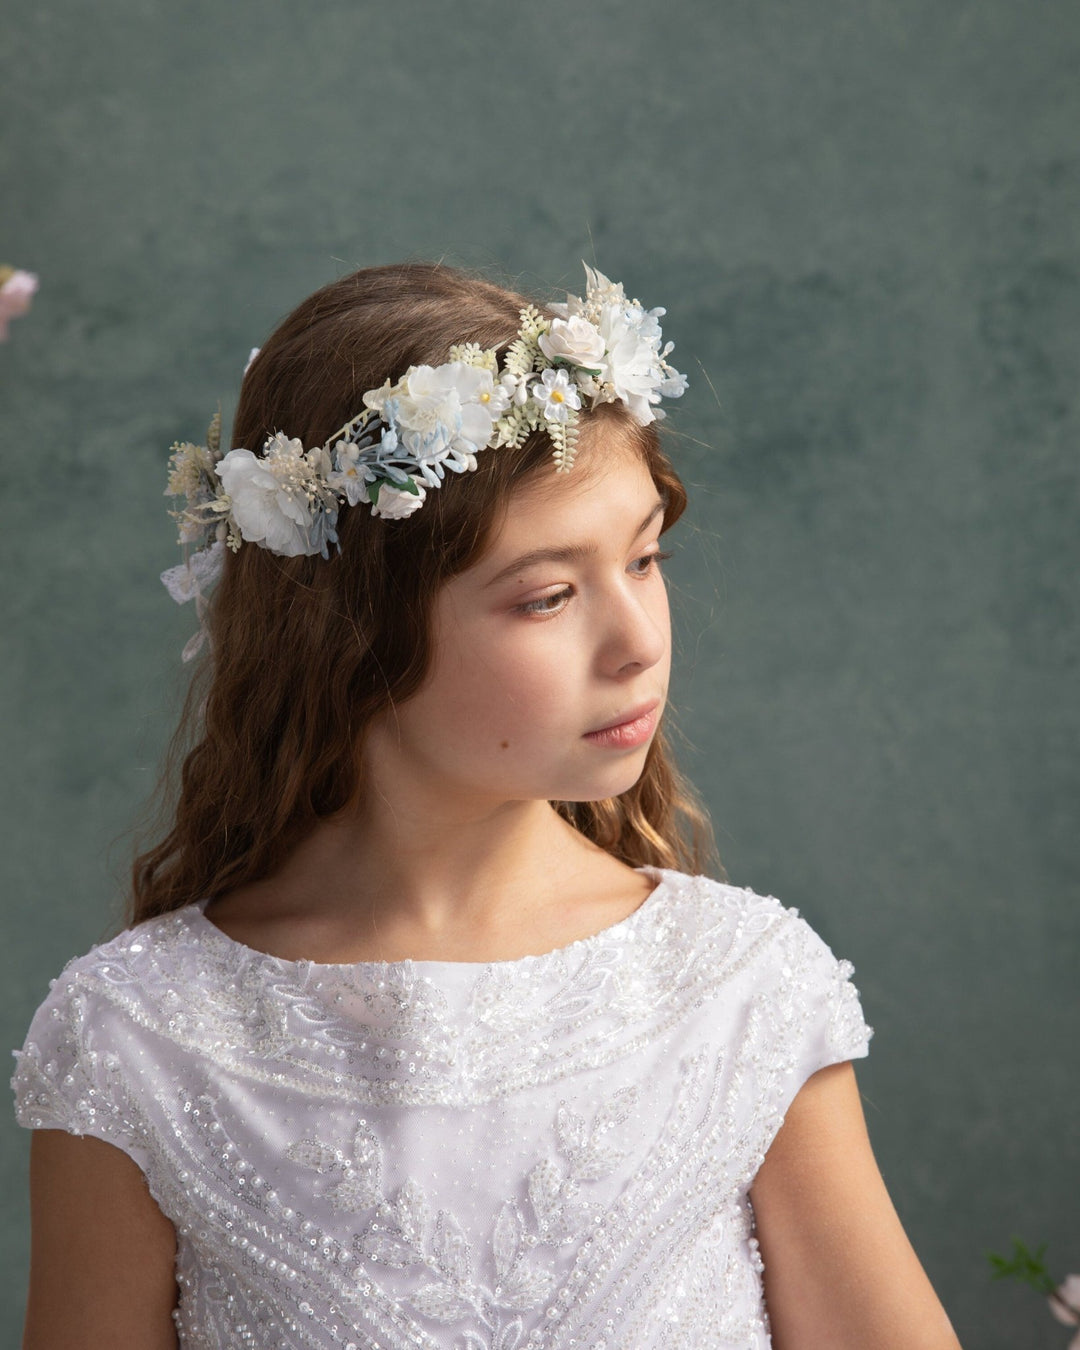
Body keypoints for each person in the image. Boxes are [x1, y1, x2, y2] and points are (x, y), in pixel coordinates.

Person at [12, 261, 963, 1349]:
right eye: (548, 596)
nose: (640, 641)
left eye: (645, 558)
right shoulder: (137, 1039)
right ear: (349, 632)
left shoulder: (742, 995)